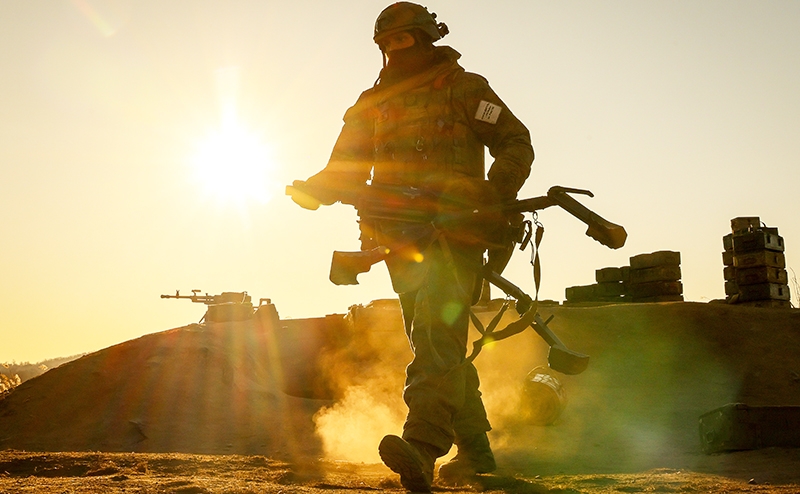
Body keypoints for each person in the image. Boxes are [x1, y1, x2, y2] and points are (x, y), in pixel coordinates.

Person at [290, 2, 533, 491]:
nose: (394, 51)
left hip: (456, 235)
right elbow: (346, 167)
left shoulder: (465, 88)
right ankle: (477, 452)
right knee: (433, 342)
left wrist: (492, 191)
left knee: (436, 337)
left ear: (425, 39)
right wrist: (315, 189)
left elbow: (515, 142)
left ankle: (421, 449)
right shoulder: (371, 103)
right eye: (386, 44)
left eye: (403, 41)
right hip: (396, 239)